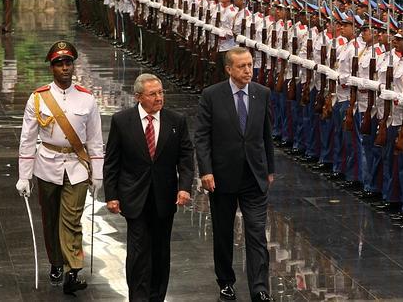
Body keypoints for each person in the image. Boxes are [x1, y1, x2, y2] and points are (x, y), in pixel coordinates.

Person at [16, 41, 103, 294]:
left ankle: (73, 270)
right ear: (51, 67)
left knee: (72, 219)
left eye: (68, 62)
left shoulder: (87, 99)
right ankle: (55, 262)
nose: (65, 68)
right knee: (50, 217)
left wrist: (97, 173)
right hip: (46, 165)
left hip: (76, 166)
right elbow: (27, 138)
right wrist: (24, 176)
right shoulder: (38, 98)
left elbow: (95, 139)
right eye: (59, 63)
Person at [103, 73, 194, 301]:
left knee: (161, 251)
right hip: (134, 196)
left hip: (164, 198)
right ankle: (138, 297)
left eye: (161, 92)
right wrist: (111, 195)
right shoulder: (122, 121)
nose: (158, 98)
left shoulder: (176, 121)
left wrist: (184, 187)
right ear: (138, 97)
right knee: (139, 251)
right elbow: (112, 161)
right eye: (152, 94)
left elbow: (185, 158)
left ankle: (157, 296)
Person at [195, 47, 275, 302]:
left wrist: (269, 169)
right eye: (242, 66)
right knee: (223, 232)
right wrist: (205, 170)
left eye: (250, 65)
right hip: (222, 176)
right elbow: (202, 137)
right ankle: (226, 281)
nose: (248, 70)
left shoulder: (261, 93)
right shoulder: (212, 95)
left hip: (254, 176)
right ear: (229, 69)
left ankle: (260, 288)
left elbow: (266, 134)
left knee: (256, 232)